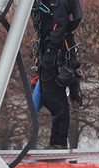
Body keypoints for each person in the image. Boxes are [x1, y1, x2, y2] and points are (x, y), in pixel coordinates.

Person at [32, 0, 83, 149]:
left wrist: (51, 50)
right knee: (48, 95)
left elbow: (60, 25)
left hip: (56, 53)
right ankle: (56, 141)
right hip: (49, 51)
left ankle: (59, 142)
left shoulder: (58, 2)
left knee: (54, 98)